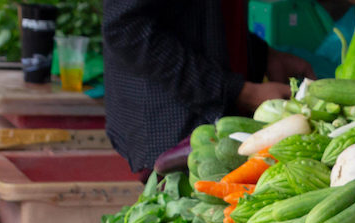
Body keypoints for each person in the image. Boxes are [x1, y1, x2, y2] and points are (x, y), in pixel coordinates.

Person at [103, 0, 315, 173]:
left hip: (213, 120)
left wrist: (262, 56)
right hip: (172, 123)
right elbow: (125, 29)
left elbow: (201, 18)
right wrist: (237, 91)